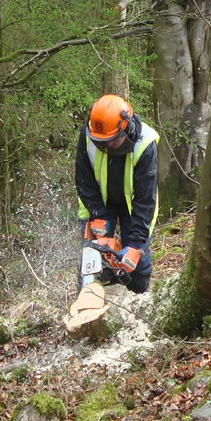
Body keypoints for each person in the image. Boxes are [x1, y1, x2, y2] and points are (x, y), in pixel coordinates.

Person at [75, 94, 158, 293]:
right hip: (99, 203)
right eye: (101, 142)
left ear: (127, 128)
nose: (107, 146)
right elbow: (84, 179)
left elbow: (146, 199)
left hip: (134, 206)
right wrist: (97, 214)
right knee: (91, 260)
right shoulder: (89, 135)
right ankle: (88, 299)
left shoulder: (145, 143)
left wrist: (136, 244)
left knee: (135, 262)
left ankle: (139, 301)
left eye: (112, 141)